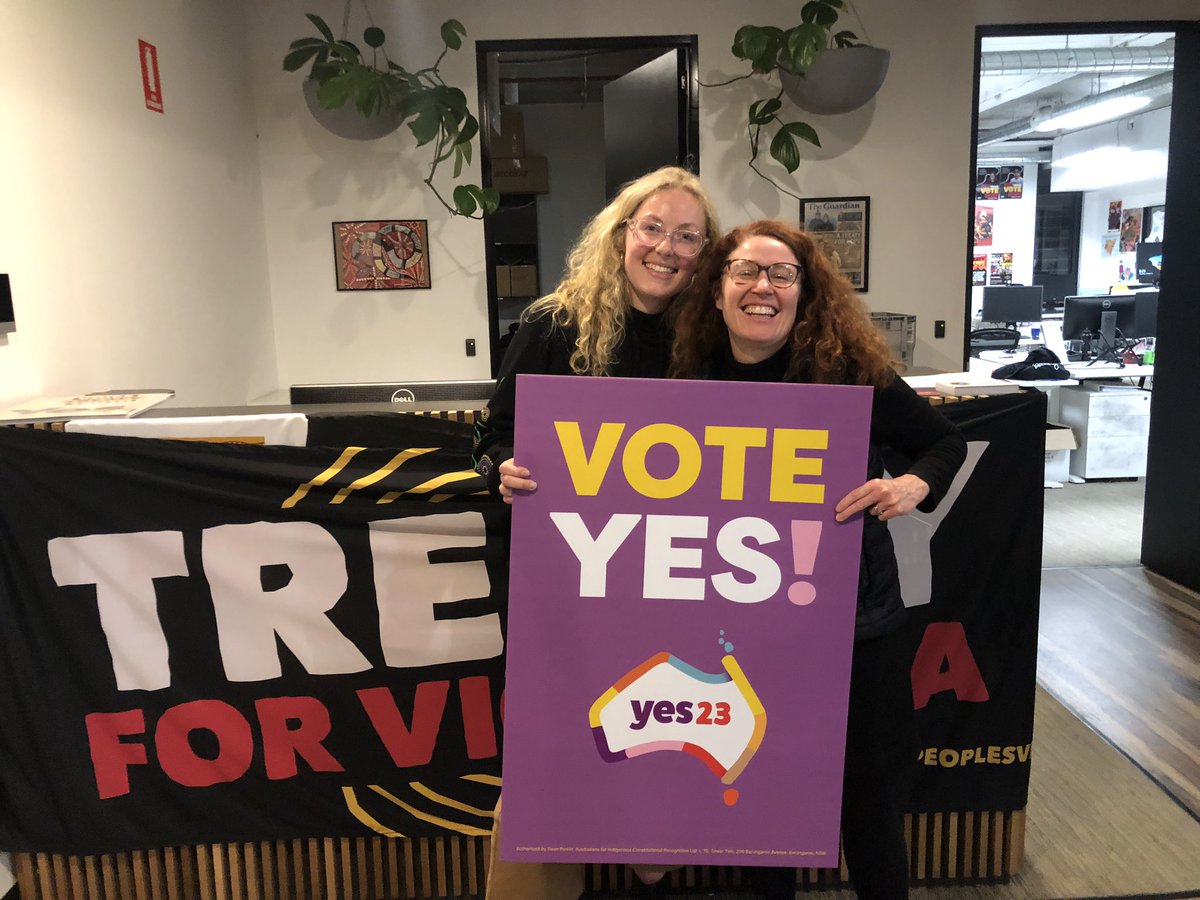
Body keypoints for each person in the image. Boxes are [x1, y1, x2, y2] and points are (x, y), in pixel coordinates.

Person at [670, 220, 967, 900]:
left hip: (851, 622)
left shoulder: (849, 373)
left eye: (781, 274)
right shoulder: (689, 380)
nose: (762, 287)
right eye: (745, 271)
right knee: (758, 785)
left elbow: (942, 444)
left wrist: (907, 484)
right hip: (740, 627)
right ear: (717, 291)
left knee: (864, 787)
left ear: (805, 294)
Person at [472, 165, 721, 900]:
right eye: (653, 228)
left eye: (688, 236)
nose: (667, 248)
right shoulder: (556, 323)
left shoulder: (713, 337)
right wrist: (500, 468)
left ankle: (653, 864)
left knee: (665, 743)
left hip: (677, 582)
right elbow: (490, 434)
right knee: (554, 750)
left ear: (705, 254)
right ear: (620, 236)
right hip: (568, 585)